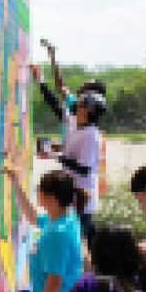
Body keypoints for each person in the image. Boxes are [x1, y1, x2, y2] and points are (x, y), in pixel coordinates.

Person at [30, 44, 104, 245]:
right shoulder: (75, 121)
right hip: (70, 194)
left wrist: (54, 156)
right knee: (73, 242)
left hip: (81, 199)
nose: (75, 105)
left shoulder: (90, 135)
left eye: (80, 104)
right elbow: (55, 104)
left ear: (87, 110)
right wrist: (40, 80)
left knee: (81, 245)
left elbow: (84, 168)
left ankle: (88, 275)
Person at [3, 166, 84, 292]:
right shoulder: (64, 218)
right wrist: (16, 184)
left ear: (51, 198)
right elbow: (33, 217)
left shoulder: (57, 233)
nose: (37, 191)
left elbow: (54, 282)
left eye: (40, 189)